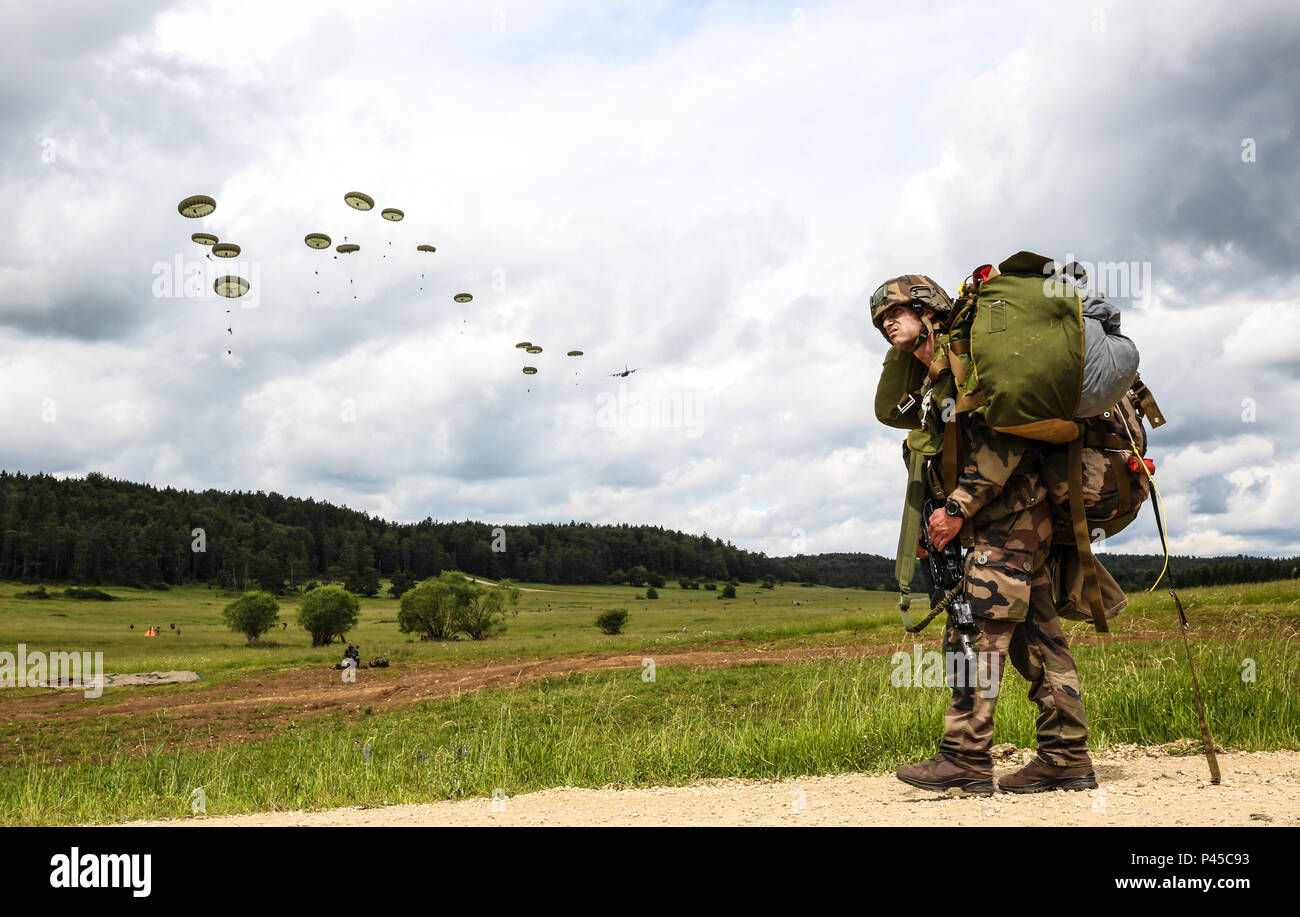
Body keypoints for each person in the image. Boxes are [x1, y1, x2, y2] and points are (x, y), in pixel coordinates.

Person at [871, 275, 1097, 794]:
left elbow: (1006, 439)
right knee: (1040, 640)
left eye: (895, 311)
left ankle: (965, 757)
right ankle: (1067, 757)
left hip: (1011, 517)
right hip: (1019, 520)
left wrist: (957, 506)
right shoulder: (936, 375)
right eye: (881, 318)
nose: (886, 322)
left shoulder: (970, 357)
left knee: (972, 635)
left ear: (927, 308)